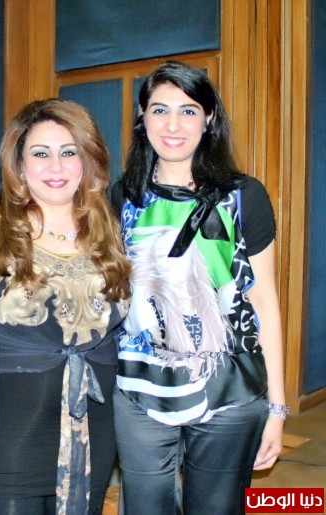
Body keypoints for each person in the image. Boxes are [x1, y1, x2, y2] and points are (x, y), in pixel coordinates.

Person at [0, 99, 131, 515]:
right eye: (40, 153)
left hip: (94, 424)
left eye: (68, 152)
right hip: (8, 432)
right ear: (19, 165)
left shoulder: (108, 227)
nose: (55, 166)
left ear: (87, 159)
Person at [111, 61, 286, 515]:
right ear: (142, 118)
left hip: (231, 390)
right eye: (160, 110)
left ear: (209, 118)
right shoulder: (121, 197)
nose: (173, 125)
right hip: (139, 391)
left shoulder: (244, 196)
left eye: (188, 111)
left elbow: (263, 301)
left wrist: (277, 407)